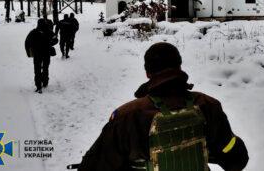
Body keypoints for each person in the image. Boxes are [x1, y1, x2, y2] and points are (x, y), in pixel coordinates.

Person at [77, 42, 248, 171]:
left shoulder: (127, 116)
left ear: (147, 73)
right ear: (180, 66)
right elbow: (237, 159)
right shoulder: (208, 105)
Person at [25, 18, 58, 93]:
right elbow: (56, 40)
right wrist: (50, 44)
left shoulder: (33, 32)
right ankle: (45, 82)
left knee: (37, 70)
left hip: (37, 54)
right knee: (45, 68)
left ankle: (38, 86)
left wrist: (29, 52)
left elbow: (27, 42)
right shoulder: (49, 32)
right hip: (46, 53)